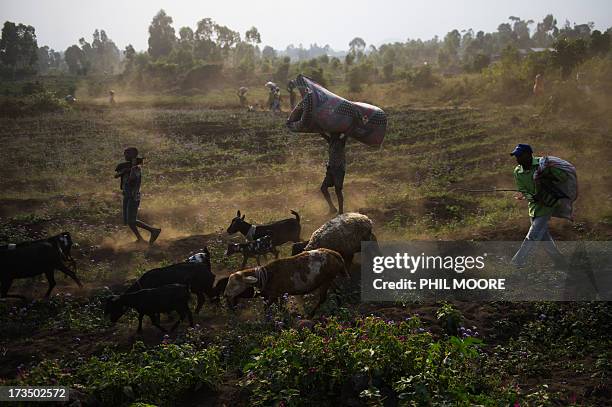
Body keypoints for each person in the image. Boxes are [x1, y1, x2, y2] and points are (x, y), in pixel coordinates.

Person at [510, 143, 572, 268]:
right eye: (516, 156)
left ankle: (515, 263)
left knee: (532, 235)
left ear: (528, 155)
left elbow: (563, 177)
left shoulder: (543, 165)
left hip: (548, 204)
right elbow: (523, 189)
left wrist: (548, 175)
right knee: (544, 237)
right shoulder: (518, 171)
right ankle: (560, 261)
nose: (517, 159)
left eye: (520, 156)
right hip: (533, 207)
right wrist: (531, 196)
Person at [115, 147, 161, 245]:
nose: (125, 156)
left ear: (133, 155)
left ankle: (154, 230)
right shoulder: (130, 167)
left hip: (133, 195)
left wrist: (129, 169)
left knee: (131, 220)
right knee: (128, 221)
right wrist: (125, 171)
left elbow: (131, 180)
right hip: (127, 195)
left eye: (127, 154)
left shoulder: (136, 168)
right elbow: (117, 175)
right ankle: (140, 238)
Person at [320, 132, 348, 214]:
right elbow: (323, 134)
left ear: (337, 135)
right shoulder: (331, 141)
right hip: (331, 168)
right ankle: (332, 208)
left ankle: (341, 212)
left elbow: (348, 133)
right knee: (323, 188)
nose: (331, 135)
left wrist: (353, 123)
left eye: (333, 134)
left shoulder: (341, 141)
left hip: (339, 169)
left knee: (338, 190)